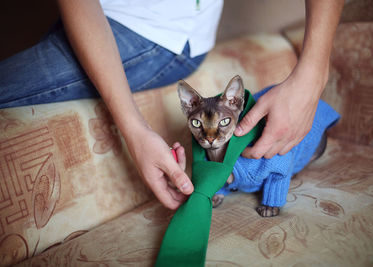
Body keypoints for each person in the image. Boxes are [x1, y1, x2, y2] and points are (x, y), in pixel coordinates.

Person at [0, 0, 344, 210]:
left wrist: (313, 73)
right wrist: (135, 130)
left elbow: (278, 167)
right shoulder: (204, 139)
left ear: (237, 106)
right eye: (199, 127)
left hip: (159, 30)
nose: (208, 138)